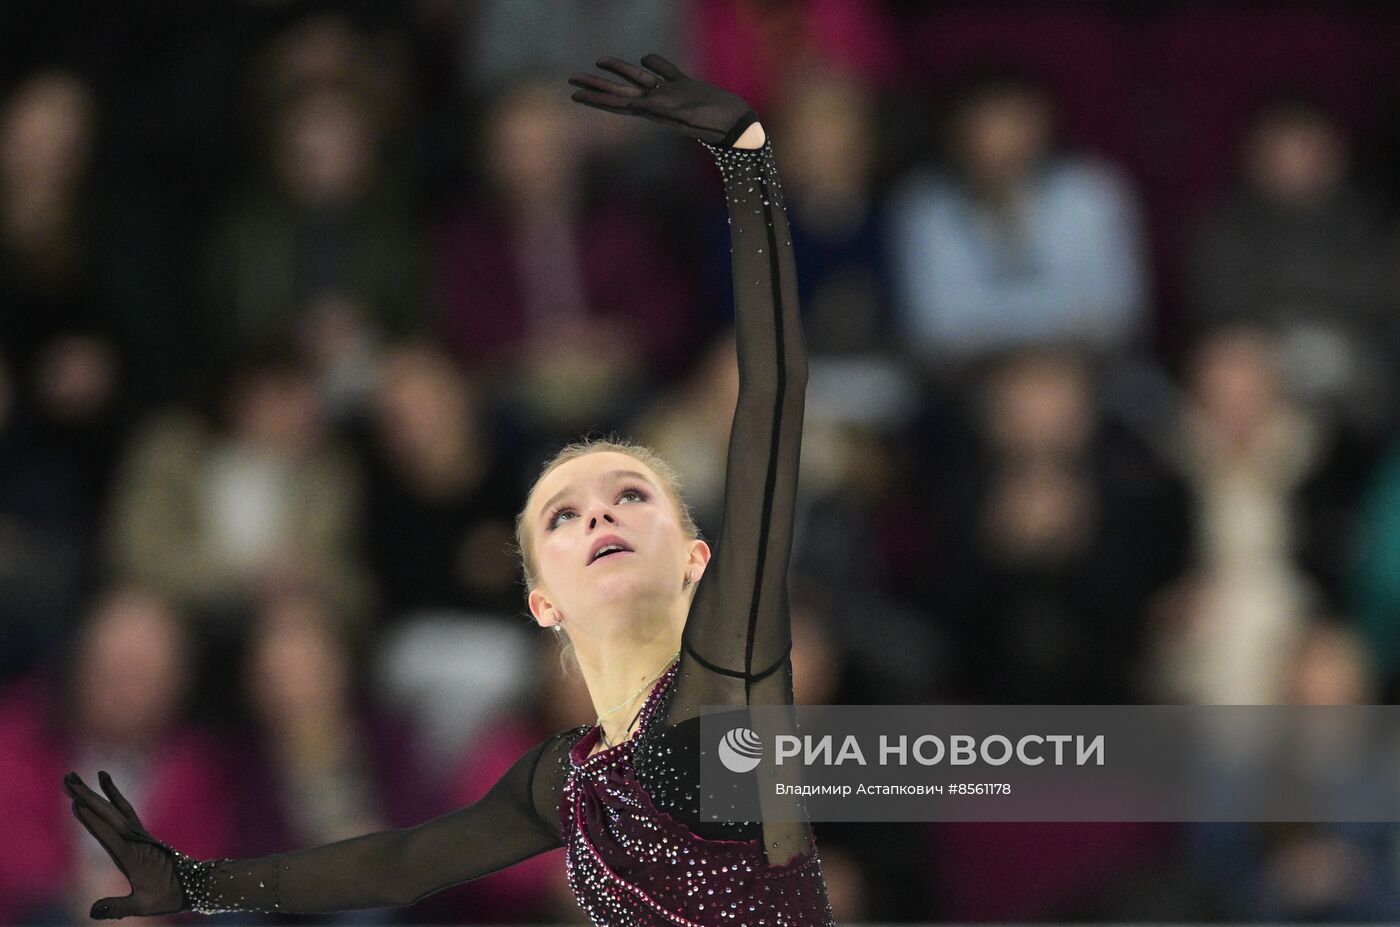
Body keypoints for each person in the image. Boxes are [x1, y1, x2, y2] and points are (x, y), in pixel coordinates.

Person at [62, 53, 836, 926]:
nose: (600, 522)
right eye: (568, 518)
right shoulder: (563, 777)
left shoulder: (731, 674)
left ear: (691, 558)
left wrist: (746, 158)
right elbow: (397, 865)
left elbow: (774, 393)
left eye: (629, 496)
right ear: (545, 603)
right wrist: (202, 884)